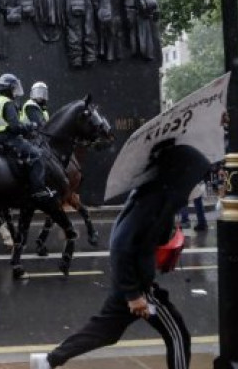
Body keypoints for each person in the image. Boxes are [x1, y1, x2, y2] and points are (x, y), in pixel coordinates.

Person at [31, 144, 209, 369]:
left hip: (132, 281)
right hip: (138, 285)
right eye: (195, 178)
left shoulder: (158, 196)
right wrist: (133, 294)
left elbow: (148, 238)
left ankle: (47, 361)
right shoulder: (154, 199)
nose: (196, 184)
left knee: (106, 332)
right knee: (177, 335)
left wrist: (168, 230)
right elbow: (120, 245)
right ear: (183, 173)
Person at [0, 73, 53, 203]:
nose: (16, 91)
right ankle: (38, 190)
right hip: (9, 139)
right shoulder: (7, 103)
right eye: (14, 88)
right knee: (37, 155)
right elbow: (15, 127)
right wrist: (30, 126)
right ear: (8, 89)